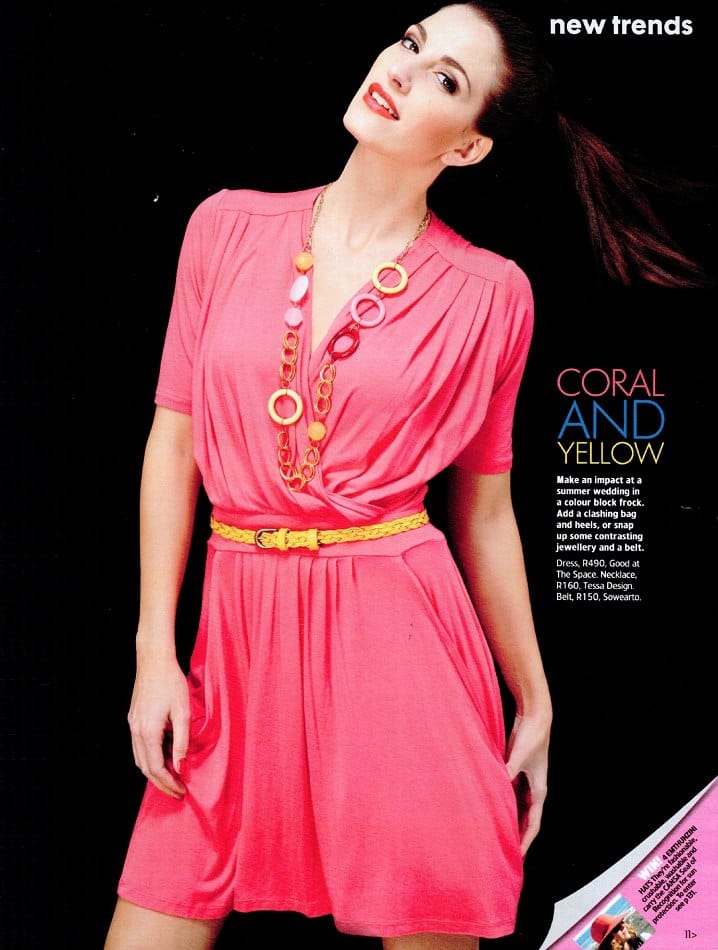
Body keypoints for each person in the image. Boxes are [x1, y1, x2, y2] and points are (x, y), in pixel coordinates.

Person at [103, 3, 704, 948]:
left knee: (425, 914)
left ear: (468, 148)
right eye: (413, 44)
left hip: (398, 651)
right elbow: (171, 445)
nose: (403, 70)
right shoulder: (224, 227)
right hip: (234, 645)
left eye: (446, 81)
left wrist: (536, 698)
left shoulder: (491, 295)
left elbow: (487, 512)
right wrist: (153, 654)